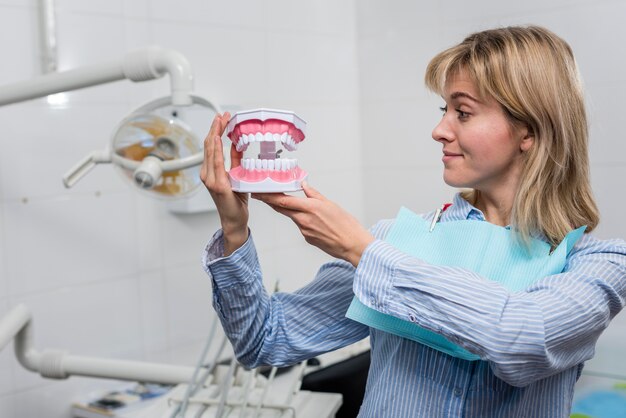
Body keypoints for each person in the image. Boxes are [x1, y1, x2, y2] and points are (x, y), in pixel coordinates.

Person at [200, 25, 626, 417]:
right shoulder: (397, 241)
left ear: (528, 130)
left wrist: (360, 251)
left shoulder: (595, 265)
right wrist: (235, 232)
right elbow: (266, 340)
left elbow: (523, 339)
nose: (439, 130)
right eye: (444, 110)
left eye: (463, 112)